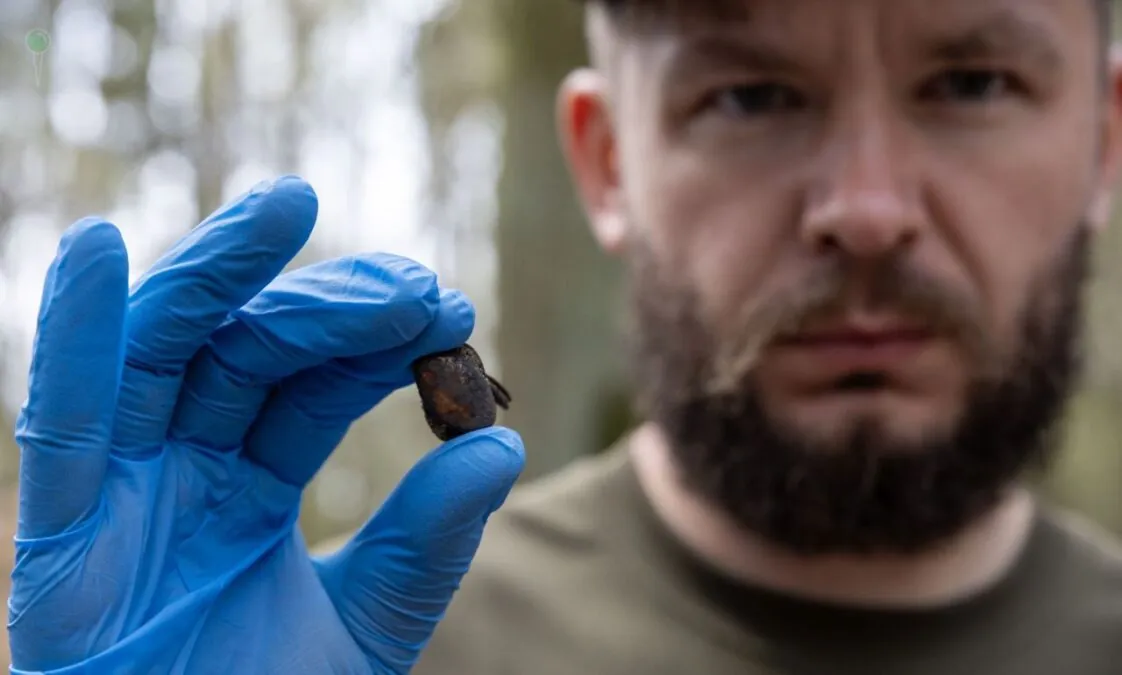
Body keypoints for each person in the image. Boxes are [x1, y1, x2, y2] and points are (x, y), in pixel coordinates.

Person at [8, 0, 1122, 672]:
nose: (869, 210)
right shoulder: (382, 645)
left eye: (974, 81)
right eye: (749, 96)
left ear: (1105, 141)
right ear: (607, 164)